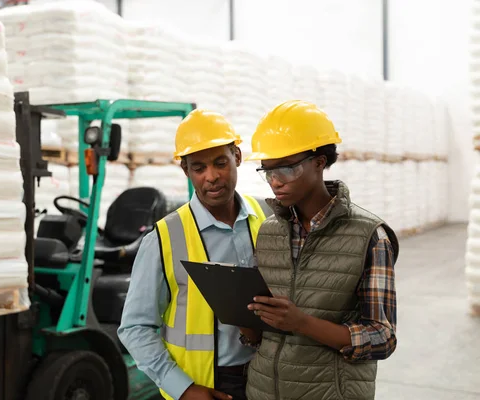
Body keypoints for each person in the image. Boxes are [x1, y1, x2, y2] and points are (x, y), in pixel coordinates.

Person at [241, 100, 399, 400]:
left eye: (287, 169)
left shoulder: (369, 235)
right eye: (268, 171)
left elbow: (382, 337)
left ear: (319, 162)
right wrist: (244, 319)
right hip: (263, 391)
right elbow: (262, 335)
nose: (275, 181)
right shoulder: (269, 231)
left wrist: (303, 324)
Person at [118, 109, 269, 400]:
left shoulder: (268, 217)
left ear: (237, 157)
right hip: (207, 385)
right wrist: (183, 389)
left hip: (268, 375)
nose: (212, 177)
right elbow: (135, 327)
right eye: (199, 168)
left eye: (220, 163)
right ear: (186, 171)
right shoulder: (163, 239)